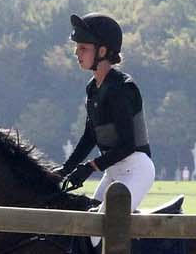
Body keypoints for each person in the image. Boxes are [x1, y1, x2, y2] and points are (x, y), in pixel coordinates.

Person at [55, 12, 155, 210]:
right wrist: (64, 170)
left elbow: (127, 145)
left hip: (136, 169)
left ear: (102, 51)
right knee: (87, 226)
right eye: (77, 47)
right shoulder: (93, 87)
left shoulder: (121, 89)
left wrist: (91, 167)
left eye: (83, 48)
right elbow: (90, 136)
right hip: (113, 170)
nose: (76, 53)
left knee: (100, 229)